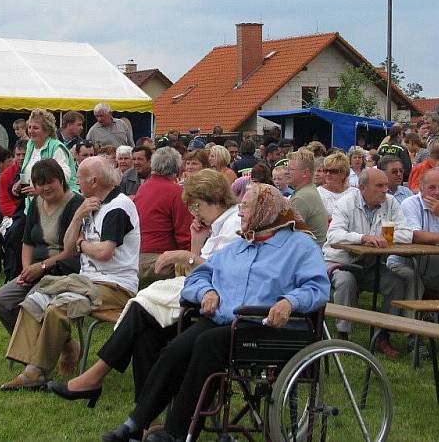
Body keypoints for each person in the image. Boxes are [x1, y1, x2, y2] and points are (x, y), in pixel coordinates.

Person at [100, 183, 330, 442]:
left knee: (208, 343)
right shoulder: (238, 247)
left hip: (270, 327)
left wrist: (290, 301)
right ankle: (135, 423)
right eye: (241, 206)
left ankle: (176, 433)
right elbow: (198, 278)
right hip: (227, 322)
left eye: (246, 207)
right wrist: (206, 293)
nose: (240, 213)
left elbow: (317, 287)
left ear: (266, 210)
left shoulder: (299, 246)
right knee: (175, 348)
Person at [49, 169, 243, 412]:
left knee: (142, 308)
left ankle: (97, 379)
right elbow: (201, 268)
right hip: (199, 296)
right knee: (143, 330)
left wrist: (184, 256)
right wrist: (196, 239)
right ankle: (143, 419)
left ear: (211, 198)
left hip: (214, 303)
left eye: (196, 207)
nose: (195, 213)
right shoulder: (219, 224)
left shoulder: (233, 224)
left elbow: (224, 274)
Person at [0, 156, 137, 390]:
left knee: (57, 306)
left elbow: (104, 252)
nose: (76, 182)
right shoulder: (90, 204)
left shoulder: (118, 206)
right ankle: (30, 363)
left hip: (115, 286)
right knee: (35, 299)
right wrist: (77, 217)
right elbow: (69, 244)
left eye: (80, 178)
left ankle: (35, 373)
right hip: (86, 281)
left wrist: (83, 245)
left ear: (94, 180)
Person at [323, 168, 413, 358]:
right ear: (362, 187)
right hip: (341, 261)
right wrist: (363, 238)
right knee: (346, 282)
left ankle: (382, 335)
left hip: (371, 264)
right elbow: (333, 235)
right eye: (379, 186)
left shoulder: (391, 203)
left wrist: (381, 237)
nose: (385, 190)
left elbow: (406, 234)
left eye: (386, 185)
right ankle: (343, 335)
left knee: (396, 283)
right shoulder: (345, 203)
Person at [0, 159, 85, 335]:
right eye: (40, 184)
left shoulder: (76, 204)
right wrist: (26, 271)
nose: (45, 188)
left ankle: (37, 351)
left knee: (30, 303)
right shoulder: (36, 203)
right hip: (35, 270)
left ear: (61, 180)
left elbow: (72, 251)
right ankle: (50, 344)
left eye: (50, 182)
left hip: (62, 270)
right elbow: (27, 242)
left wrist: (41, 267)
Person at [388, 168, 439, 299]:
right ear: (421, 188)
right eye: (432, 187)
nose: (437, 192)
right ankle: (409, 319)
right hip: (407, 265)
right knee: (412, 279)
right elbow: (415, 235)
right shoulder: (410, 203)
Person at [133, 147, 192, 283]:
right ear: (177, 169)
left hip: (138, 259)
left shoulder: (143, 188)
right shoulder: (176, 192)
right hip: (162, 262)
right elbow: (184, 235)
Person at [16, 110, 78, 208]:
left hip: (57, 205)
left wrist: (39, 190)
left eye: (36, 128)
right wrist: (20, 182)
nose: (31, 131)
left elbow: (64, 176)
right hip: (34, 205)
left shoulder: (56, 147)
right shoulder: (30, 144)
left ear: (47, 130)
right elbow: (30, 170)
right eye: (29, 127)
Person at [287, 149, 328, 245]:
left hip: (306, 256)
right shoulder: (308, 190)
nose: (287, 172)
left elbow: (285, 235)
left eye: (291, 169)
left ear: (305, 173)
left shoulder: (302, 198)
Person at [317, 152, 355, 221]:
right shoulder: (318, 193)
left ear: (344, 173)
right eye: (325, 170)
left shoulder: (355, 193)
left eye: (333, 171)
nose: (328, 174)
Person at [0, 140, 27, 218]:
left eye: (24, 154)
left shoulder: (36, 171)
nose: (21, 158)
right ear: (14, 155)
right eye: (18, 155)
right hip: (15, 215)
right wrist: (20, 215)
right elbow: (4, 203)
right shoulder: (5, 175)